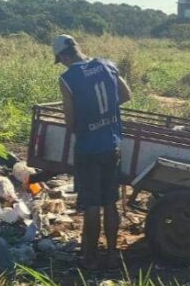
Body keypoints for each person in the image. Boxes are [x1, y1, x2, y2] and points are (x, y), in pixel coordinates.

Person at [53, 34, 132, 270]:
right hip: (112, 145)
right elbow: (126, 95)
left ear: (64, 56)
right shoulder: (107, 65)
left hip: (88, 149)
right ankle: (110, 254)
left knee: (92, 205)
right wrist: (105, 112)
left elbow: (70, 121)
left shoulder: (67, 79)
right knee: (110, 203)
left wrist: (88, 118)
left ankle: (89, 257)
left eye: (61, 60)